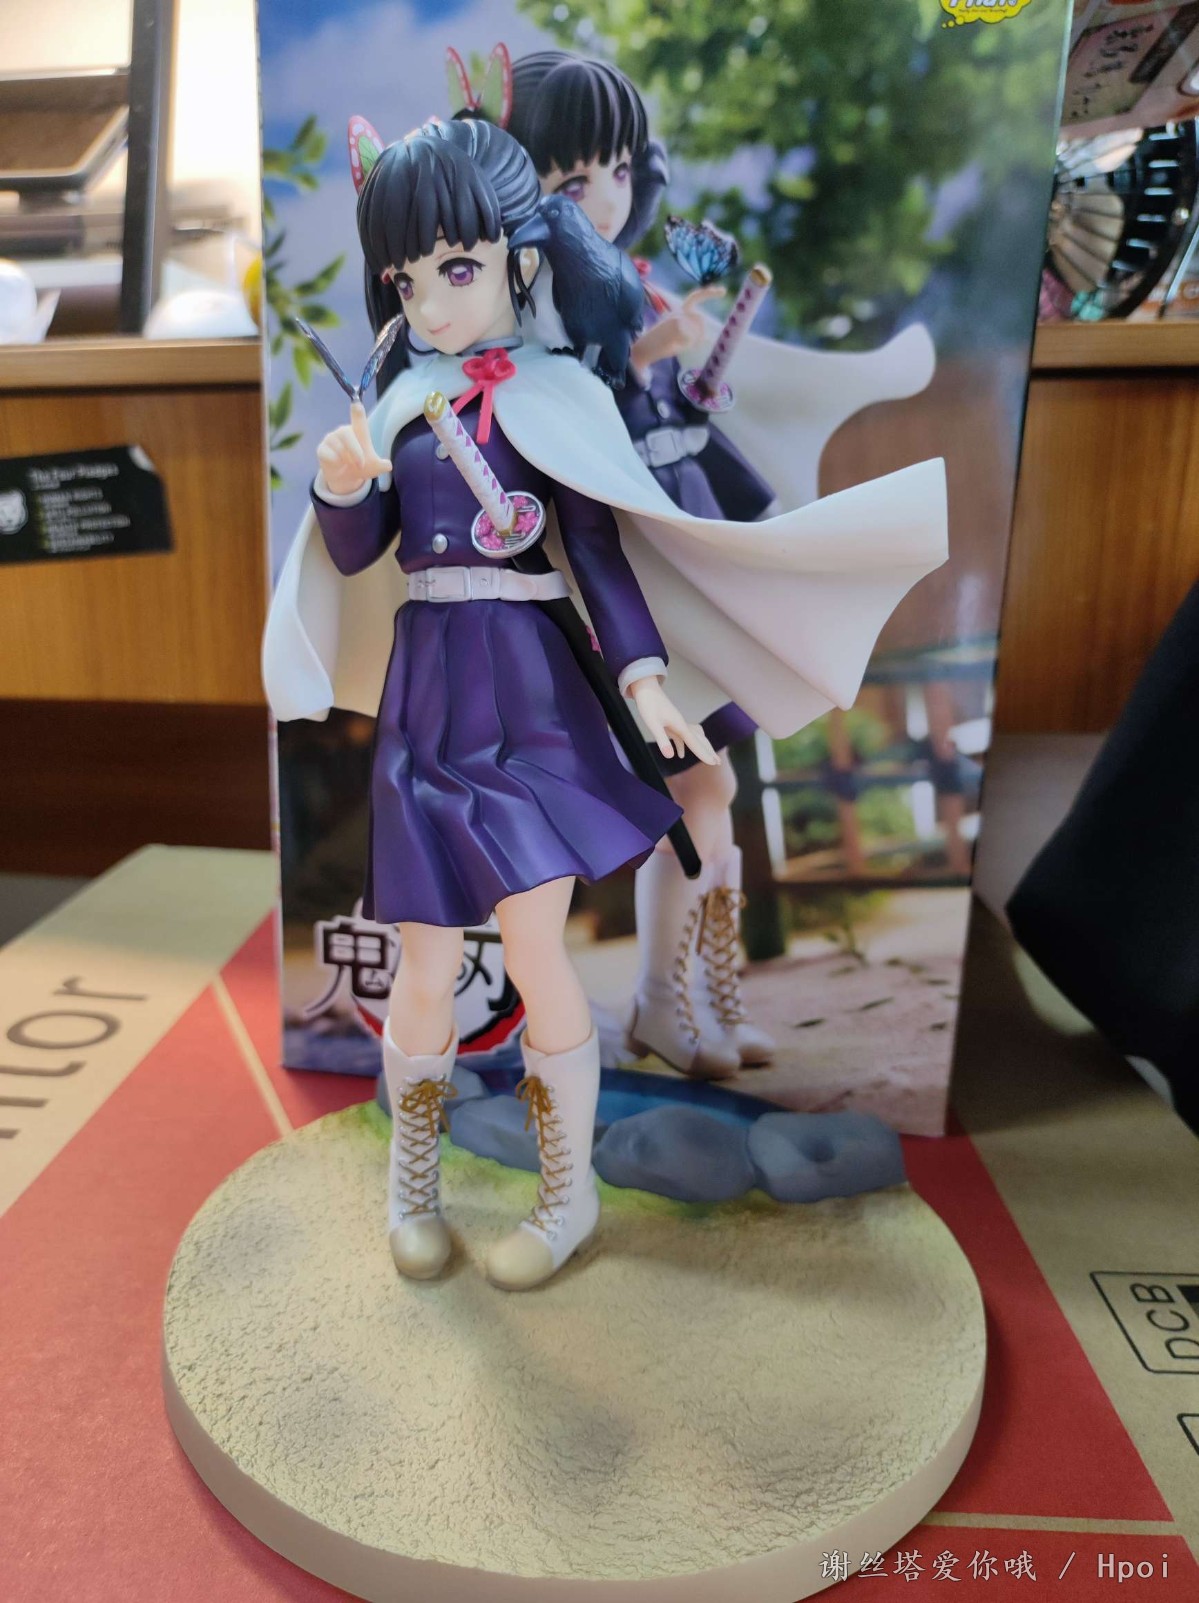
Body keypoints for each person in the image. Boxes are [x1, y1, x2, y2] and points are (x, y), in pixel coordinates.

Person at [263, 116, 948, 1293]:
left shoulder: (561, 394)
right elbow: (362, 548)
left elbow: (599, 550)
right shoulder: (400, 397)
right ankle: (411, 1188)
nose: (430, 301)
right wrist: (339, 490)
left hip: (527, 689)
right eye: (408, 280)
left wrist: (641, 675)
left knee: (538, 948)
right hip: (427, 691)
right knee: (423, 960)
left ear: (518, 258)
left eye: (457, 268)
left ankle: (564, 1194)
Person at [503, 49, 938, 1083]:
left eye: (616, 171)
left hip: (680, 554)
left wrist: (684, 380)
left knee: (711, 787)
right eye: (573, 180)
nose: (604, 198)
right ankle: (664, 1001)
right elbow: (563, 425)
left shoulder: (626, 282)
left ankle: (692, 996)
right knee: (692, 787)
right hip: (623, 585)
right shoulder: (534, 310)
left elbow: (670, 427)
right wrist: (642, 357)